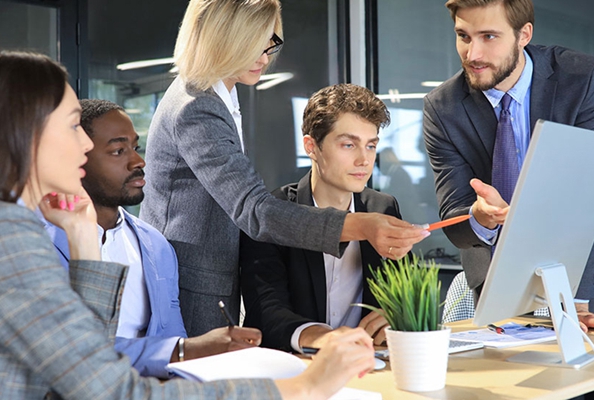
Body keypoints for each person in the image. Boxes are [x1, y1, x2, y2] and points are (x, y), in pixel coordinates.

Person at [0, 50, 377, 400]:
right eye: (71, 126)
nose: (84, 144)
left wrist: (83, 238)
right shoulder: (11, 241)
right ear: (25, 130)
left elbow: (87, 357)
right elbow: (113, 391)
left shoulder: (32, 231)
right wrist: (303, 386)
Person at [139, 0, 429, 337]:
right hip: (191, 288)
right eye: (255, 44)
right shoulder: (197, 106)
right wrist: (360, 226)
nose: (265, 57)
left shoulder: (218, 99)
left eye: (270, 43)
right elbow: (255, 212)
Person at [41, 99, 262, 378]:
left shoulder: (155, 246)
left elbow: (172, 339)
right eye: (118, 151)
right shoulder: (37, 247)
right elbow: (74, 354)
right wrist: (185, 349)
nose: (138, 161)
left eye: (136, 148)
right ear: (76, 158)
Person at [422, 0, 594, 327]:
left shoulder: (583, 79)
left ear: (524, 34)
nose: (473, 54)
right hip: (495, 287)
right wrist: (478, 217)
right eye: (463, 36)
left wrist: (578, 296)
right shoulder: (443, 108)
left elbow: (593, 193)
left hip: (586, 285)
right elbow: (455, 219)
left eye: (489, 36)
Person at [240, 84, 406, 352]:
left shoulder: (382, 208)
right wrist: (322, 338)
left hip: (370, 364)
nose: (364, 160)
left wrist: (395, 315)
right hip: (295, 366)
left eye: (371, 145)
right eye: (349, 145)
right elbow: (266, 312)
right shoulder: (273, 212)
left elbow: (404, 290)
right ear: (311, 147)